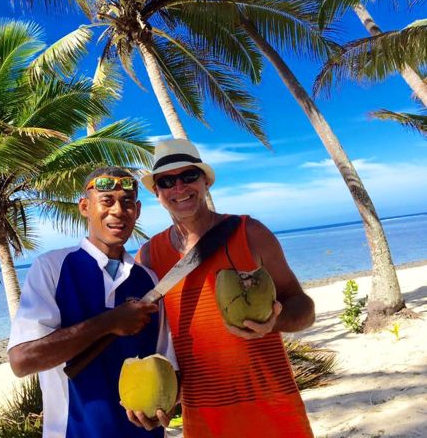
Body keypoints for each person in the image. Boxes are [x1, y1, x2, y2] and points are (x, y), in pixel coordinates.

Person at [134, 139, 316, 437]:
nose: (179, 188)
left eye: (189, 176)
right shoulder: (150, 255)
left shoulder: (249, 232)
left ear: (205, 181)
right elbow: (152, 339)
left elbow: (304, 309)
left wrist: (274, 322)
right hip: (205, 418)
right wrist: (159, 397)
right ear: (157, 193)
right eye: (167, 181)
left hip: (273, 408)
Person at [7, 166, 174, 438]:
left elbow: (165, 361)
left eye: (127, 202)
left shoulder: (149, 280)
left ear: (138, 211)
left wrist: (164, 411)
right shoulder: (52, 268)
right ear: (85, 207)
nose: (118, 211)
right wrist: (110, 322)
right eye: (106, 201)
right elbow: (22, 361)